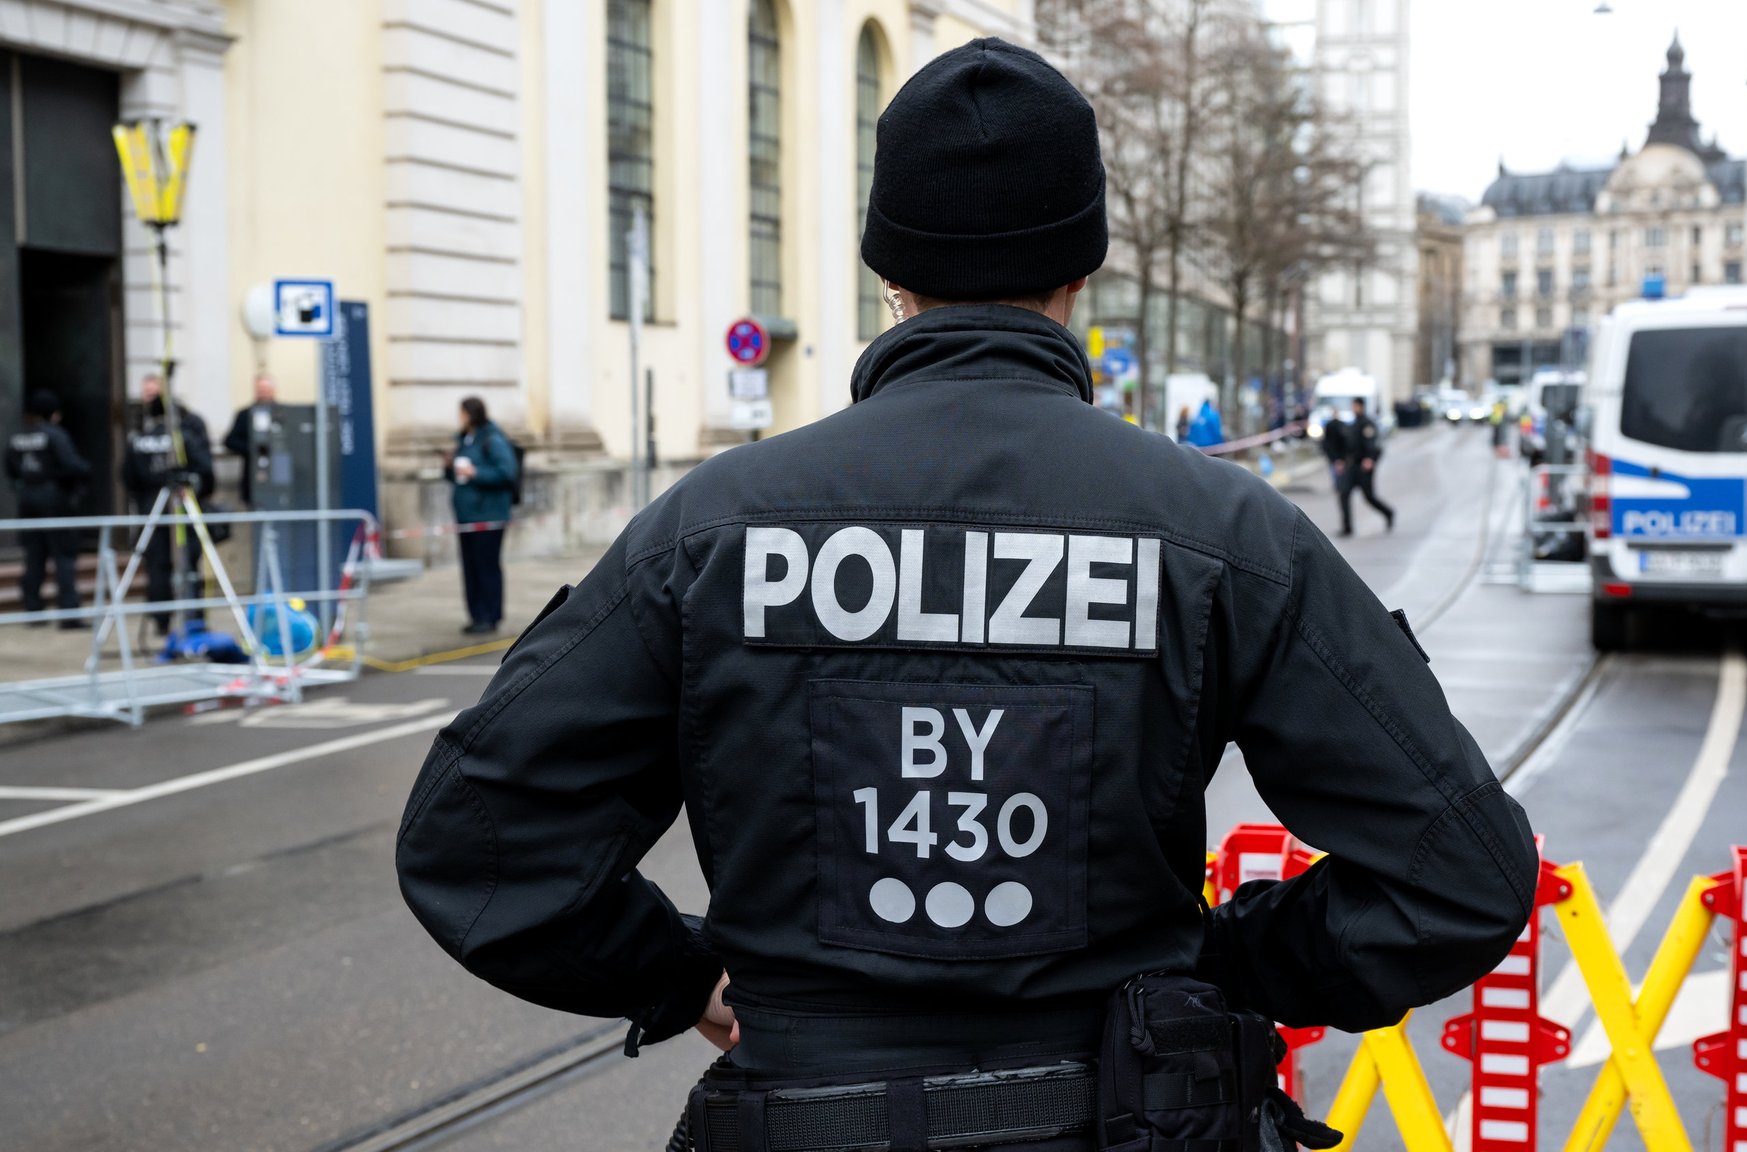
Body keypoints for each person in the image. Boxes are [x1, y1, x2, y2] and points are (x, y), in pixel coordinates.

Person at [397, 38, 1535, 1152]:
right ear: (1079, 268)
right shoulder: (1222, 534)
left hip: (800, 1117)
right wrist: (1220, 966)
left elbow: (478, 841)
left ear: (888, 271)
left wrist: (676, 973)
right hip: (1123, 1112)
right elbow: (1462, 877)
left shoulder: (711, 532)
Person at [124, 374, 214, 632]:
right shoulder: (181, 437)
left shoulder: (138, 439)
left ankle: (161, 621)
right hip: (179, 504)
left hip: (150, 504)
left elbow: (127, 476)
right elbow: (205, 469)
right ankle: (194, 619)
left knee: (157, 566)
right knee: (188, 562)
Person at [5, 390, 91, 627]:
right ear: (54, 413)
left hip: (27, 499)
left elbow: (11, 469)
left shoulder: (18, 437)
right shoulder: (55, 435)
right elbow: (73, 465)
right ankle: (69, 615)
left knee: (34, 557)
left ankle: (33, 611)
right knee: (64, 557)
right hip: (54, 500)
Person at [441, 396, 518, 634]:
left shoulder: (492, 440)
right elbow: (456, 477)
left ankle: (490, 616)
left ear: (471, 415)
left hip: (488, 516)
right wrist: (449, 466)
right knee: (470, 568)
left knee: (487, 567)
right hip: (466, 517)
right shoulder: (464, 441)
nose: (459, 419)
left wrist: (475, 472)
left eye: (462, 413)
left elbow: (507, 472)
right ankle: (476, 616)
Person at [222, 373, 278, 508]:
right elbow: (230, 440)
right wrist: (253, 449)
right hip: (252, 477)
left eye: (266, 390)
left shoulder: (283, 413)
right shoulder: (245, 414)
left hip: (278, 474)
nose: (263, 394)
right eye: (260, 390)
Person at [1345, 397, 1396, 533]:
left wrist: (1369, 459)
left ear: (1361, 407)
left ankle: (1388, 512)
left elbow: (1372, 445)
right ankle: (1347, 527)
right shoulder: (1354, 423)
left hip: (1364, 466)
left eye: (1355, 406)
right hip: (1353, 465)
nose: (1353, 409)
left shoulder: (1367, 424)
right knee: (1344, 493)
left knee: (1369, 496)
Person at [1318, 404, 1360, 536]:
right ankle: (1347, 527)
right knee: (1342, 493)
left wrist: (1338, 460)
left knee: (1343, 492)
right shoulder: (1340, 426)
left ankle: (1347, 527)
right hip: (1341, 462)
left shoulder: (1340, 426)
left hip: (1343, 464)